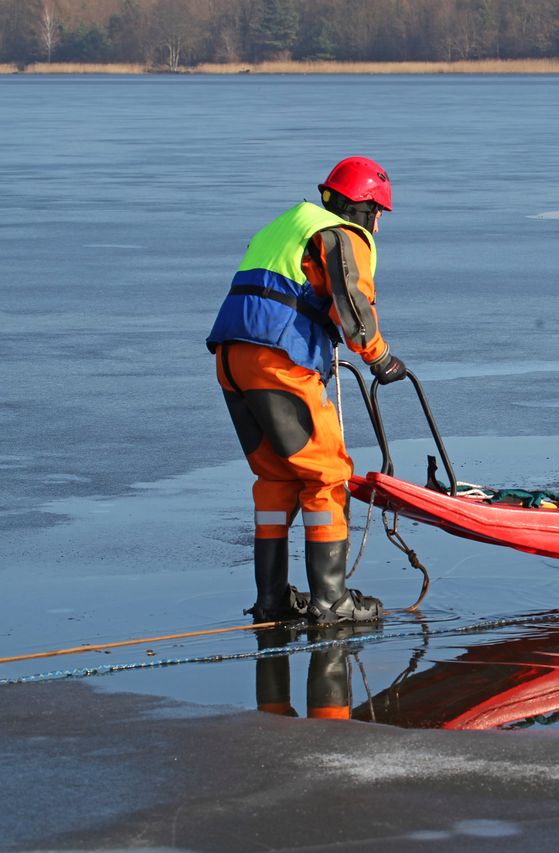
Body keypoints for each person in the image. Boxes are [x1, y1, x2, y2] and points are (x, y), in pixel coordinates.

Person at [207, 156, 409, 624]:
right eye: (378, 213)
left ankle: (273, 599)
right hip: (279, 361)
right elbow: (352, 306)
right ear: (363, 207)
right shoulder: (341, 234)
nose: (377, 226)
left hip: (232, 358)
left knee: (277, 479)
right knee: (326, 476)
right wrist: (379, 357)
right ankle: (331, 602)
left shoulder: (287, 225)